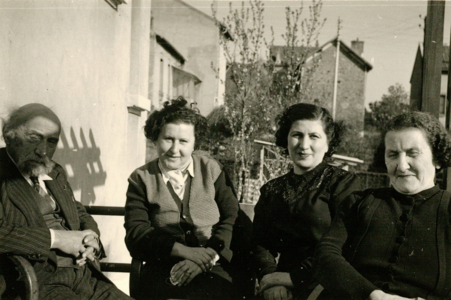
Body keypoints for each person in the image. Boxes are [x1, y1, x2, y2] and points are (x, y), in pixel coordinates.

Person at [314, 111, 451, 300]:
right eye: (393, 154)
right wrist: (374, 296)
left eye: (413, 153)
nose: (402, 166)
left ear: (436, 158)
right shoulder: (359, 202)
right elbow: (325, 256)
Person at [0, 103, 131, 299]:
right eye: (34, 138)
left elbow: (78, 211)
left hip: (84, 274)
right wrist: (57, 239)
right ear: (9, 135)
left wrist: (91, 237)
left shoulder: (54, 171)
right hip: (35, 280)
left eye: (52, 141)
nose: (43, 151)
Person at [124, 97, 243, 300]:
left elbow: (231, 218)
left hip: (213, 263)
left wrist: (205, 257)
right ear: (155, 138)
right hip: (163, 265)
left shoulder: (212, 170)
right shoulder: (141, 179)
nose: (174, 149)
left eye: (183, 141)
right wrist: (186, 252)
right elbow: (137, 234)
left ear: (195, 143)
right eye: (168, 139)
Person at [252, 103, 361, 300]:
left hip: (327, 284)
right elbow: (260, 242)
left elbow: (348, 243)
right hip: (278, 288)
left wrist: (295, 278)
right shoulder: (272, 190)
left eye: (314, 136)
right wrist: (269, 278)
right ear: (286, 139)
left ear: (328, 143)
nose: (303, 145)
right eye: (297, 135)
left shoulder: (343, 184)